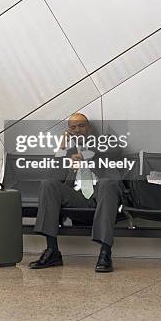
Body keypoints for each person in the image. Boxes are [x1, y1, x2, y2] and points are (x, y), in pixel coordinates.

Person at [29, 113, 127, 273]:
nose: (78, 130)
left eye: (81, 125)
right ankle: (52, 251)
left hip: (102, 195)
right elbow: (53, 176)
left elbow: (116, 149)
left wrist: (84, 156)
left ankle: (105, 253)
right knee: (48, 184)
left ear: (89, 127)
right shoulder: (68, 152)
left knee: (107, 183)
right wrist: (61, 147)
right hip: (77, 197)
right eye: (73, 127)